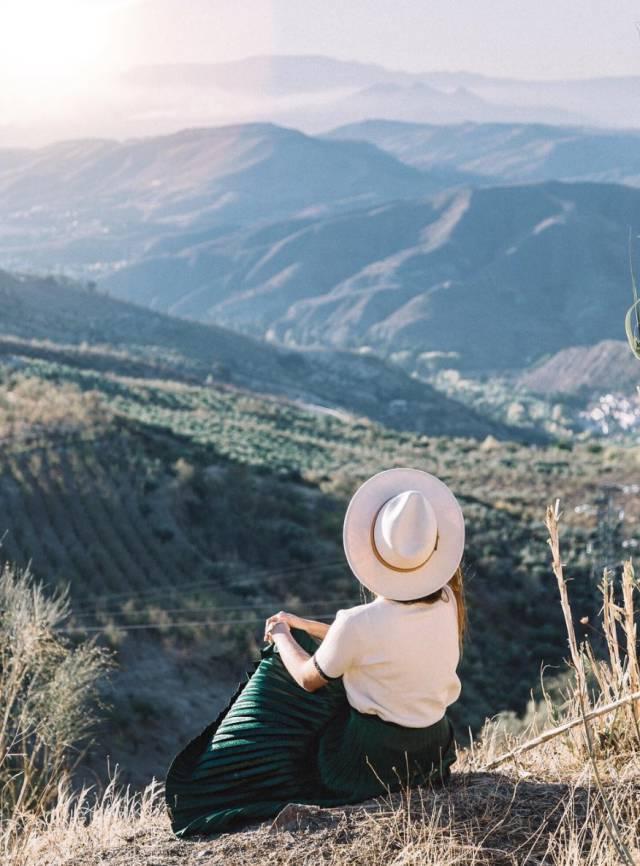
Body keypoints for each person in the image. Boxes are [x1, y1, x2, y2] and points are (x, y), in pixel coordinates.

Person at [164, 466, 467, 838]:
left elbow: (309, 679)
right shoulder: (448, 600)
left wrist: (281, 635)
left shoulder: (358, 622)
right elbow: (375, 646)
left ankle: (217, 775)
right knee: (308, 649)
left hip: (374, 757)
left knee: (281, 665)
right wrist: (305, 626)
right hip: (432, 747)